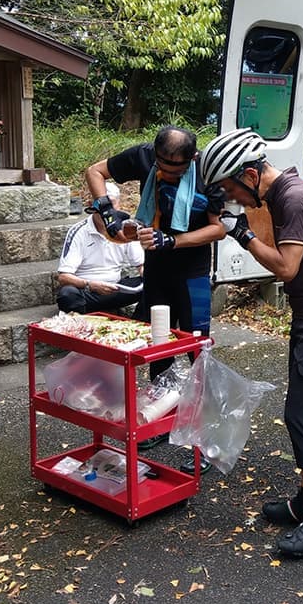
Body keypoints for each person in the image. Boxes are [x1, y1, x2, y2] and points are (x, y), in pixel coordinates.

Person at [198, 127, 303, 559]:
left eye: (232, 188)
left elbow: (286, 268)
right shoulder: (280, 194)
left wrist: (241, 233)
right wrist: (244, 225)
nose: (233, 198)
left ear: (251, 174)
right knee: (300, 413)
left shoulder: (292, 198)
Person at [84, 126, 224, 470]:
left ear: (191, 159)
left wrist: (173, 241)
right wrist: (106, 209)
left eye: (176, 168)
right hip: (157, 271)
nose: (166, 172)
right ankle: (162, 418)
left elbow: (218, 228)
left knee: (197, 352)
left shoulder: (208, 172)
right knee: (157, 347)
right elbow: (95, 171)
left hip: (191, 272)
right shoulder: (144, 157)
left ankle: (206, 441)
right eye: (162, 164)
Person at [55, 184, 145, 314]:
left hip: (116, 288)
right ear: (92, 205)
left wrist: (146, 273)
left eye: (111, 204)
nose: (106, 211)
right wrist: (90, 284)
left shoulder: (126, 228)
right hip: (88, 290)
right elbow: (64, 277)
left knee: (156, 283)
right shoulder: (79, 231)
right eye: (102, 206)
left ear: (119, 204)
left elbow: (141, 264)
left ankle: (140, 322)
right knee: (67, 295)